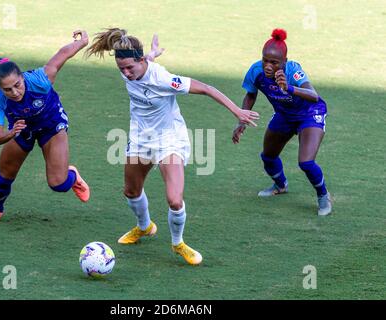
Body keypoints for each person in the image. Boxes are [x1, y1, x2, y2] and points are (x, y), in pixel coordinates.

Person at [87, 28, 259, 265]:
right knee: (131, 191)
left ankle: (178, 243)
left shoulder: (164, 79)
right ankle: (145, 227)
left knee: (174, 200)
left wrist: (237, 111)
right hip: (140, 139)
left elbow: (207, 89)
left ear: (140, 60)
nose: (126, 73)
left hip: (169, 139)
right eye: (121, 69)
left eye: (129, 68)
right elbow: (142, 64)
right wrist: (152, 54)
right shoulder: (133, 68)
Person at [0, 30, 91, 226]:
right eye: (7, 89)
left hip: (51, 125)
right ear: (0, 88)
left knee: (59, 184)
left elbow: (62, 54)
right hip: (21, 130)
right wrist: (10, 133)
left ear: (23, 77)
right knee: (5, 175)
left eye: (17, 85)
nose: (14, 92)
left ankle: (73, 176)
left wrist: (83, 41)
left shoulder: (40, 79)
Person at [233, 28, 332, 216]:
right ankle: (280, 185)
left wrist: (289, 88)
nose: (268, 66)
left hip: (309, 113)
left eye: (274, 62)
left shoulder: (293, 71)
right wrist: (241, 120)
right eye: (265, 60)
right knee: (268, 156)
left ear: (284, 62)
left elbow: (313, 95)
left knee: (306, 162)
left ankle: (323, 196)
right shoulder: (256, 71)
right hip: (285, 114)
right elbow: (250, 94)